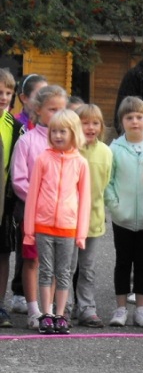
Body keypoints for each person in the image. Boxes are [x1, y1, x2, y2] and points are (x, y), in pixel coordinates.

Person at [22, 109, 91, 334]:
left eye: (63, 131)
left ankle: (61, 315)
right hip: (43, 226)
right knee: (45, 271)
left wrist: (81, 233)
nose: (58, 135)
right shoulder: (43, 159)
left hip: (68, 228)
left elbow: (85, 199)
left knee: (64, 272)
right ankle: (46, 314)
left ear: (73, 133)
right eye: (54, 131)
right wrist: (29, 230)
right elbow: (32, 196)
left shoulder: (81, 163)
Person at [11, 84, 68, 329]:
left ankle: (50, 309)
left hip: (61, 216)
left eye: (61, 109)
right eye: (51, 109)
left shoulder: (67, 142)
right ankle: (34, 309)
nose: (57, 114)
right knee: (33, 261)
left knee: (55, 264)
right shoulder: (27, 141)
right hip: (34, 214)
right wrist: (38, 201)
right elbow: (19, 179)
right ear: (38, 109)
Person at [105, 96, 143, 328]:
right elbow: (108, 181)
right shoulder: (114, 148)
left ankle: (142, 309)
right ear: (121, 121)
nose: (134, 121)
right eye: (129, 117)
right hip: (122, 218)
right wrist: (115, 207)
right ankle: (120, 308)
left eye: (139, 117)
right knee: (123, 262)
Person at [72, 103, 113, 328]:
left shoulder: (106, 152)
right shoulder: (70, 150)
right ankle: (64, 306)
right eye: (84, 122)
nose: (90, 127)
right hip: (67, 219)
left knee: (87, 267)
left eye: (95, 123)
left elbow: (105, 183)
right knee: (66, 268)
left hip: (93, 219)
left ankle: (87, 307)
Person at [0, 68, 19, 327]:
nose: (3, 97)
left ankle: (0, 304)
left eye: (7, 92)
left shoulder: (15, 127)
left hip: (4, 202)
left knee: (2, 253)